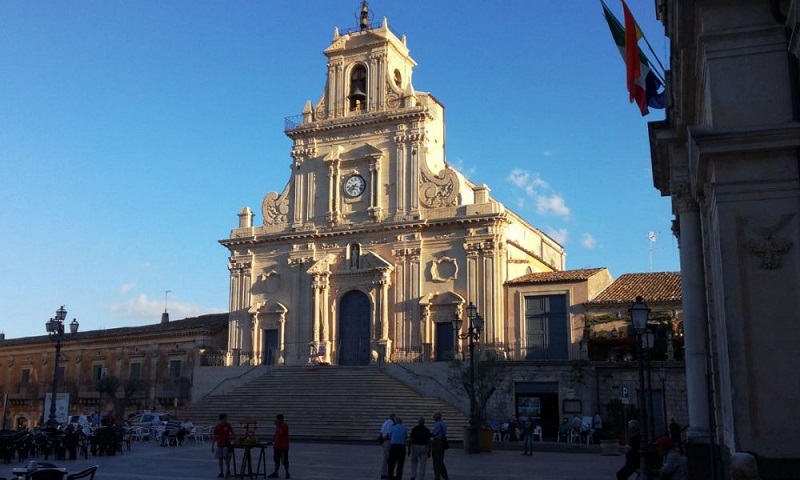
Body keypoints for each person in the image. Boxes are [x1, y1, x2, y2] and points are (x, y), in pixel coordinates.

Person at [267, 413, 290, 479]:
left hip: (283, 447)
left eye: (277, 419)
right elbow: (275, 435)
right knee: (276, 460)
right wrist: (271, 441)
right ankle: (276, 472)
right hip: (277, 447)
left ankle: (287, 473)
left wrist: (278, 426)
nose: (276, 420)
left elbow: (281, 433)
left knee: (284, 460)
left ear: (280, 420)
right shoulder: (278, 427)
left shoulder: (284, 426)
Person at [212, 413, 234, 478]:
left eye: (226, 419)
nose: (226, 420)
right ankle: (221, 472)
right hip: (219, 444)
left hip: (226, 444)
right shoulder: (217, 427)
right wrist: (212, 446)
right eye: (225, 419)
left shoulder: (228, 425)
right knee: (220, 459)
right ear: (221, 419)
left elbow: (232, 432)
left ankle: (228, 470)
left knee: (225, 457)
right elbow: (215, 436)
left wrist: (235, 438)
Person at [430, 412, 449, 480]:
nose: (433, 418)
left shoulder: (438, 424)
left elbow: (434, 433)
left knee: (437, 460)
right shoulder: (443, 423)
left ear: (437, 417)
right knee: (440, 460)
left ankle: (439, 476)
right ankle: (442, 476)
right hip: (441, 442)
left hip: (438, 443)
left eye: (434, 417)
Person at [379, 413, 396, 479]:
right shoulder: (391, 423)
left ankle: (384, 473)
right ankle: (386, 474)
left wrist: (381, 440)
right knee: (388, 458)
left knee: (385, 458)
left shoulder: (385, 422)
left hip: (384, 442)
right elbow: (389, 434)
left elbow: (381, 432)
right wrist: (384, 439)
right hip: (388, 441)